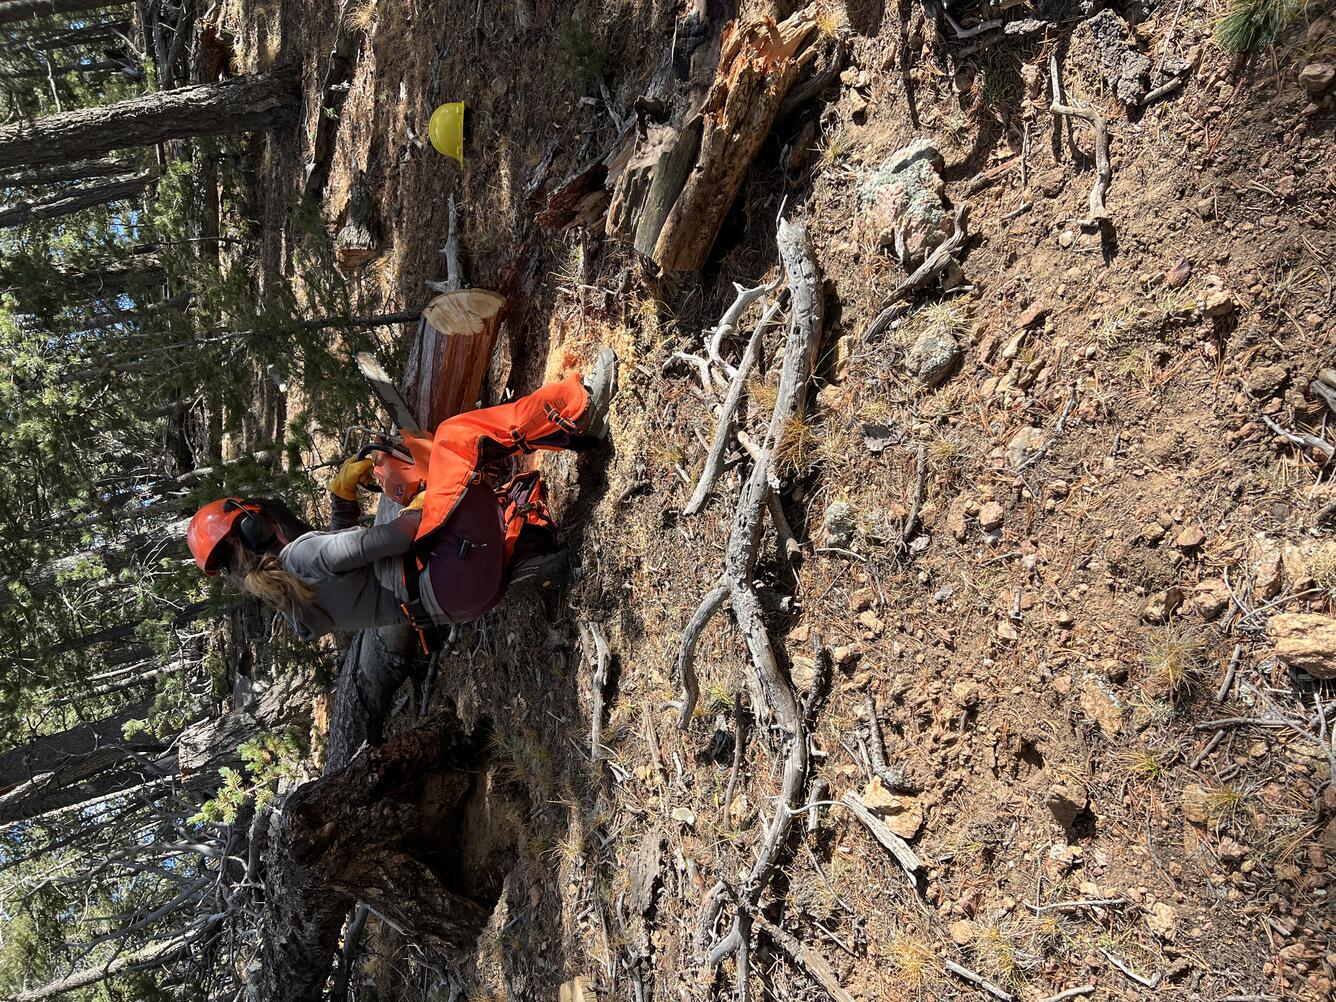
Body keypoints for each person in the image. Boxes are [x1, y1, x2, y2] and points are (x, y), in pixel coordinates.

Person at [186, 350, 617, 642]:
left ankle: (529, 541)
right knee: (455, 436)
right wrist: (421, 501)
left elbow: (346, 564)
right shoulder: (298, 559)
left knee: (477, 492)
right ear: (257, 525)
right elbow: (390, 541)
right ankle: (579, 409)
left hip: (461, 601)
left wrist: (343, 498)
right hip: (455, 571)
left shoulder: (292, 597)